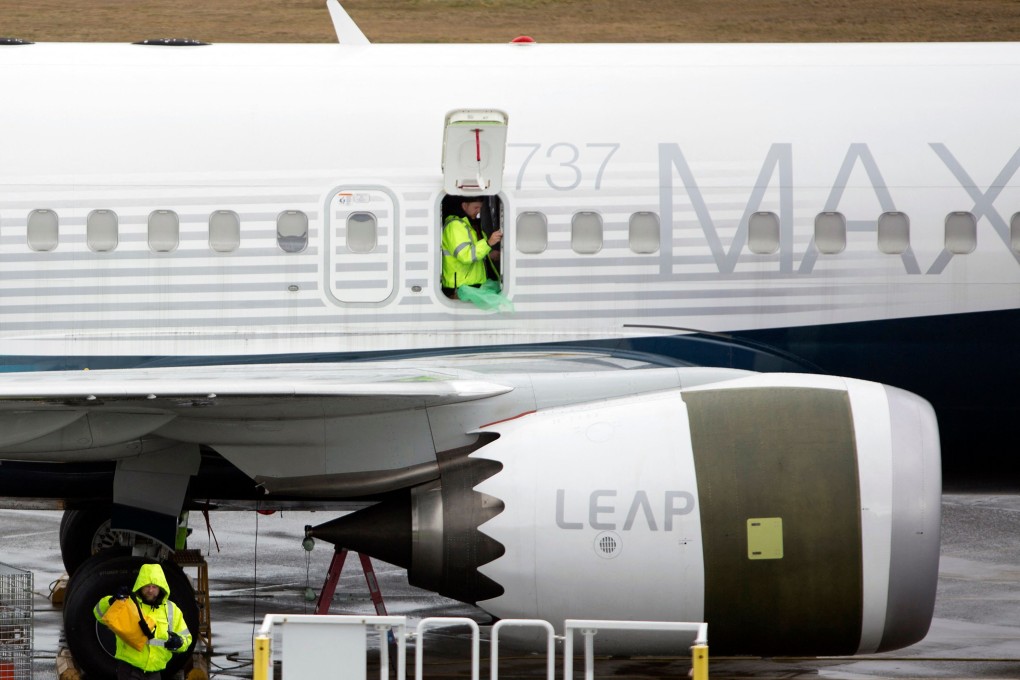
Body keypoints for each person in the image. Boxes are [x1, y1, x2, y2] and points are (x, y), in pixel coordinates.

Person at [94, 563, 192, 680]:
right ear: (140, 586)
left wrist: (179, 642)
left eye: (154, 586)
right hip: (130, 670)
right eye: (147, 586)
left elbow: (187, 638)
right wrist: (111, 601)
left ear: (161, 588)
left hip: (155, 672)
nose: (150, 591)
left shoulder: (172, 609)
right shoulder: (128, 603)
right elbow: (99, 613)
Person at [441, 196, 503, 299]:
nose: (478, 211)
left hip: (469, 287)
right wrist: (488, 243)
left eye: (480, 208)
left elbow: (475, 252)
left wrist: (488, 255)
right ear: (464, 206)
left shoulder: (468, 225)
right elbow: (466, 255)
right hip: (461, 289)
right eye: (476, 207)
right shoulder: (455, 226)